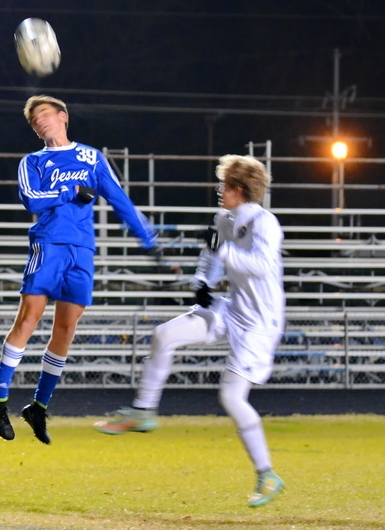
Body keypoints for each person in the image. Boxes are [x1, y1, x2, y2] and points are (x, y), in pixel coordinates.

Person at [95, 154, 286, 507]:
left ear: (239, 189)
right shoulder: (223, 219)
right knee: (164, 335)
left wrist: (223, 251)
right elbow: (211, 260)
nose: (219, 190)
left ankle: (267, 475)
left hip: (260, 323)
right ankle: (143, 412)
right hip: (233, 309)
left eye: (224, 185)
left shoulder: (265, 223)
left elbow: (260, 265)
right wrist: (202, 283)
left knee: (232, 398)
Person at [0, 94, 160, 445]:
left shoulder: (91, 157)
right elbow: (31, 200)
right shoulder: (33, 161)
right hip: (49, 244)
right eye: (35, 120)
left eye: (45, 114)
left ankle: (38, 406)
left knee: (65, 329)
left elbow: (118, 197)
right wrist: (69, 190)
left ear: (63, 116)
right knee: (28, 319)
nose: (40, 122)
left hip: (82, 250)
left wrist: (146, 236)